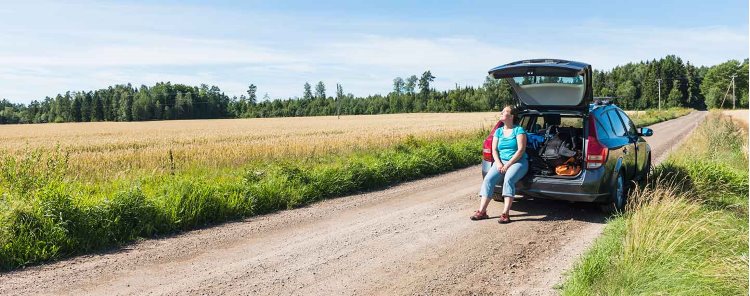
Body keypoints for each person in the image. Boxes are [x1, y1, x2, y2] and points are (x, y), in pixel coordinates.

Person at [471, 105, 529, 223]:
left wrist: (507, 165)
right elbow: (494, 150)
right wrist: (498, 163)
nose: (501, 113)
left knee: (508, 179)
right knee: (488, 180)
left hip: (518, 162)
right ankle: (482, 212)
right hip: (500, 162)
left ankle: (505, 214)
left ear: (512, 116)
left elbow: (521, 150)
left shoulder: (519, 130)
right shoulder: (498, 131)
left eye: (504, 112)